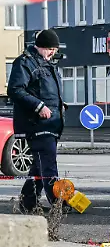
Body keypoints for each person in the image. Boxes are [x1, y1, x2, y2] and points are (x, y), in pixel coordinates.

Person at [8, 29, 66, 213]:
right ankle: (57, 203)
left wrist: (60, 106)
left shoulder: (47, 64)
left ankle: (28, 202)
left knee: (39, 166)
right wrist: (39, 106)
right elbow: (15, 90)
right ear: (41, 47)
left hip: (50, 124)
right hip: (36, 124)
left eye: (55, 49)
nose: (53, 53)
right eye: (50, 49)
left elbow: (48, 92)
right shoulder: (25, 63)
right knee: (48, 163)